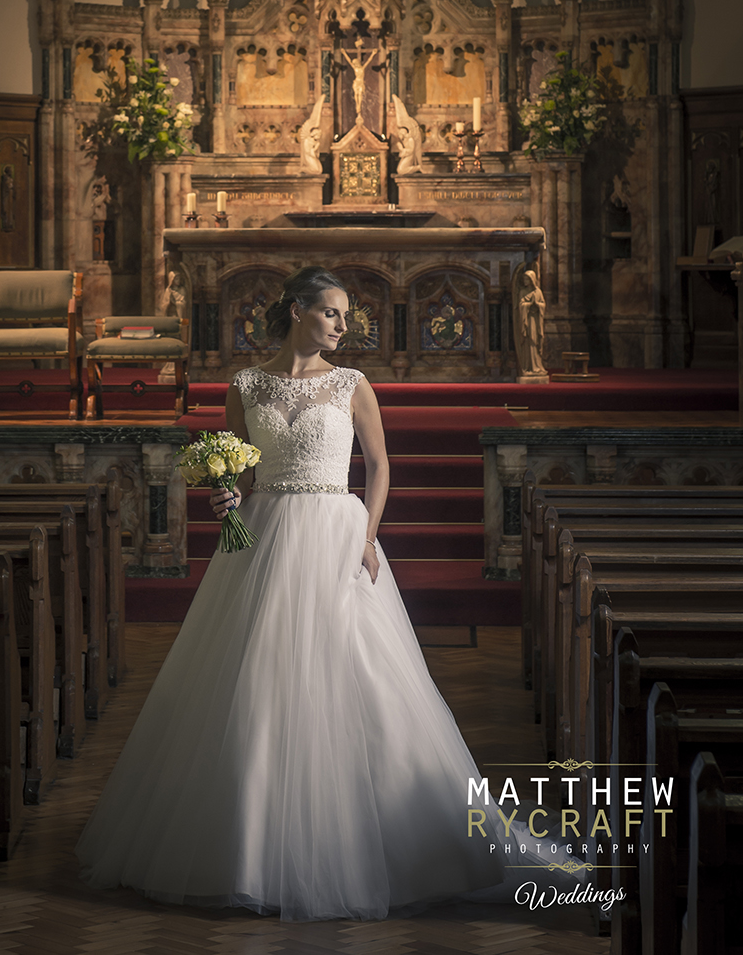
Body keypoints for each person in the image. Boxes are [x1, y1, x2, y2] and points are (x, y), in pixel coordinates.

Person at [75, 266, 506, 920]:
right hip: (264, 534)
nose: (343, 325)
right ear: (298, 309)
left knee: (356, 671)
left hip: (336, 532)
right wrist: (225, 497)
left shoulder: (352, 383)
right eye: (331, 312)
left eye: (344, 316)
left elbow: (380, 463)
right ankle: (248, 847)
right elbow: (239, 470)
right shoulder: (245, 384)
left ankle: (382, 840)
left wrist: (367, 535)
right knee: (254, 677)